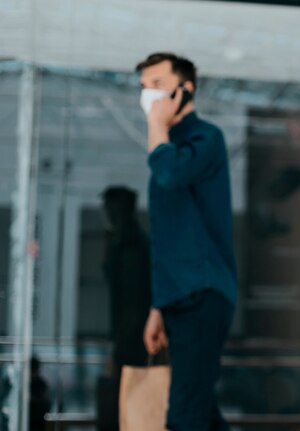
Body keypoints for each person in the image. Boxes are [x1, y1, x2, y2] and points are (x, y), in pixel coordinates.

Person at [136, 53, 237, 431]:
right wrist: (158, 306)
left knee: (185, 415)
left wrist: (156, 127)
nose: (148, 96)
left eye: (158, 85)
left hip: (203, 293)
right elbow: (171, 236)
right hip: (179, 296)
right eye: (144, 87)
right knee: (201, 410)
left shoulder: (205, 137)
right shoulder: (168, 145)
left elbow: (168, 174)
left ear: (185, 90)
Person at [97, 186, 151, 431]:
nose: (106, 213)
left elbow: (131, 297)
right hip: (130, 334)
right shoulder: (126, 241)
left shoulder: (129, 244)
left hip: (131, 335)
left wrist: (122, 340)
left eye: (109, 208)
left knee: (128, 402)